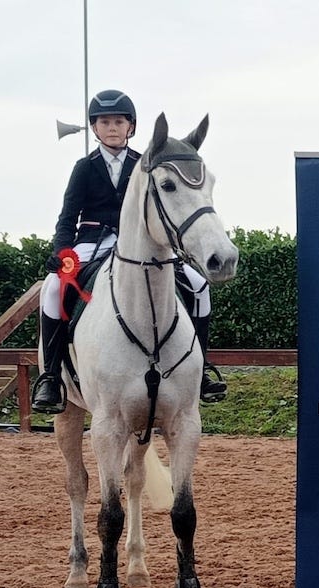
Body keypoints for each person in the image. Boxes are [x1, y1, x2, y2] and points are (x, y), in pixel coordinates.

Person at [31, 89, 227, 414]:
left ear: (130, 127)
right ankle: (52, 376)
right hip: (92, 242)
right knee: (52, 289)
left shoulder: (144, 165)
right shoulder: (84, 167)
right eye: (105, 122)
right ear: (94, 128)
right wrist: (62, 250)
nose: (112, 128)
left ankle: (202, 368)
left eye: (119, 122)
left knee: (199, 285)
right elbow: (67, 217)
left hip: (139, 242)